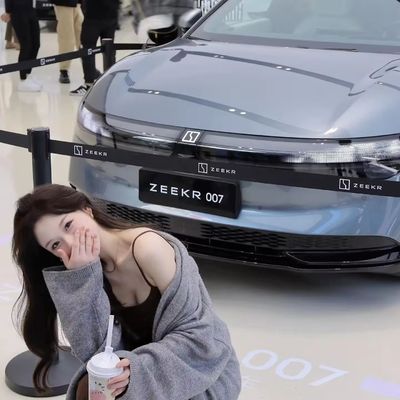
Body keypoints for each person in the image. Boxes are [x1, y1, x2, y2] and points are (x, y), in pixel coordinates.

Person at [12, 184, 241, 399]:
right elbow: (94, 353)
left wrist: (137, 369)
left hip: (199, 374)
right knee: (89, 387)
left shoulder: (147, 248)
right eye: (55, 245)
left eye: (68, 225)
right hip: (132, 377)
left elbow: (201, 338)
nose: (70, 243)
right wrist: (82, 280)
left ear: (86, 210)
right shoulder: (82, 270)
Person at [70, 0, 119, 96]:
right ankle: (109, 83)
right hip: (110, 15)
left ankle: (89, 84)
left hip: (93, 16)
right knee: (108, 50)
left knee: (88, 50)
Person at [1, 0, 42, 92]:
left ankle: (28, 75)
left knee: (36, 44)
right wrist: (8, 11)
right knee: (26, 46)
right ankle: (23, 79)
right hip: (18, 11)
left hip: (30, 9)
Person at [52, 0, 84, 84]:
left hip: (77, 3)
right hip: (64, 4)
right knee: (66, 39)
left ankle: (88, 66)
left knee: (82, 36)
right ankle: (64, 70)